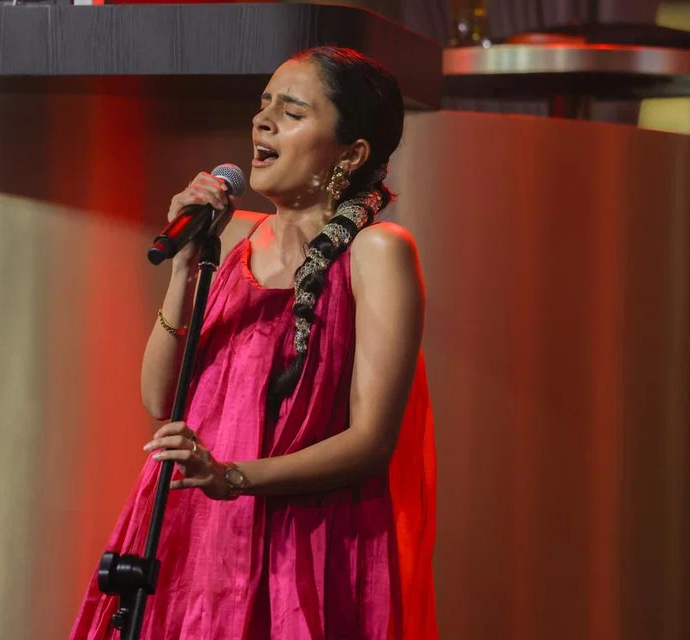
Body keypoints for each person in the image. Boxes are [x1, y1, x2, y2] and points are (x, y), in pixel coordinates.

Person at [71, 46, 437, 639]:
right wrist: (184, 267)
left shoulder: (377, 251)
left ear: (351, 153)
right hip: (195, 536)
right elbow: (160, 397)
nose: (261, 121)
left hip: (305, 545)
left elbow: (371, 443)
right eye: (264, 105)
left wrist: (232, 477)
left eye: (291, 112)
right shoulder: (232, 241)